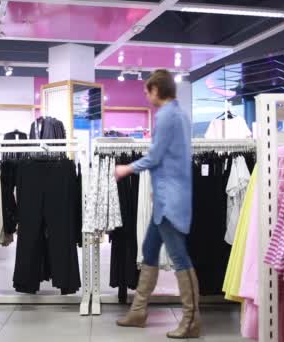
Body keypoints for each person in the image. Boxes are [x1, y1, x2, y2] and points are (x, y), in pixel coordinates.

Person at [115, 69, 199, 339]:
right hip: (170, 196)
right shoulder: (181, 114)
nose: (146, 94)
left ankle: (191, 320)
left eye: (147, 90)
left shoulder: (165, 116)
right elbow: (173, 158)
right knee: (150, 249)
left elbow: (155, 156)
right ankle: (138, 311)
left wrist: (127, 169)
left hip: (169, 201)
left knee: (178, 257)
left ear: (156, 90)